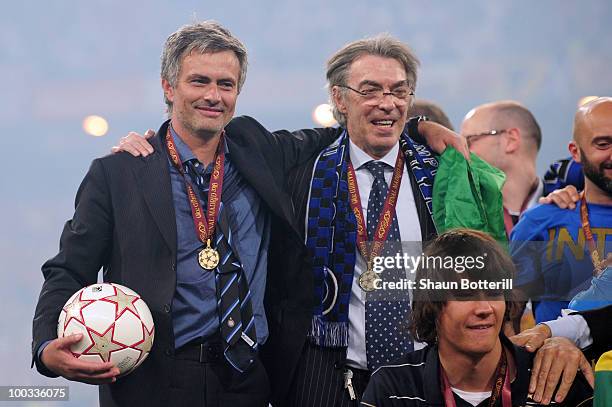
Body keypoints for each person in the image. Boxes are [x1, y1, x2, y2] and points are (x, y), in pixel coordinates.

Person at [114, 35, 469, 406]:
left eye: (399, 91)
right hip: (322, 379)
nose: (387, 103)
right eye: (370, 91)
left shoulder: (439, 174)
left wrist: (420, 125)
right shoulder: (299, 172)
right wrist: (151, 150)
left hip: (427, 373)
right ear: (339, 98)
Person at [31, 21, 349, 407]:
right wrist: (46, 345)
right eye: (199, 81)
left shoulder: (258, 149)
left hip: (249, 379)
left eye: (226, 84)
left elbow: (337, 134)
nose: (214, 96)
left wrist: (419, 126)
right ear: (169, 86)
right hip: (155, 383)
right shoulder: (119, 174)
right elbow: (69, 268)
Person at [361, 229, 593, 407]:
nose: (485, 308)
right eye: (464, 295)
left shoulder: (556, 378)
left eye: (494, 292)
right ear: (431, 306)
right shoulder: (392, 386)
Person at [510, 97, 612, 325]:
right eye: (603, 144)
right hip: (554, 357)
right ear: (575, 152)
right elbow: (508, 319)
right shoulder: (541, 220)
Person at [460, 100, 543, 237]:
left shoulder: (565, 207)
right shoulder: (464, 215)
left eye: (470, 140)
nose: (462, 150)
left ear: (511, 140)